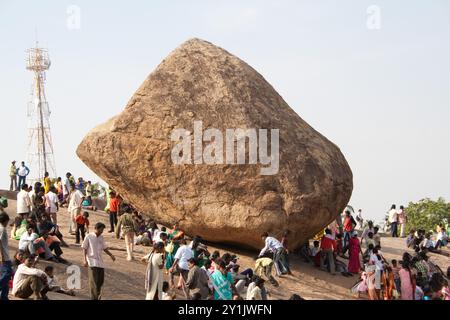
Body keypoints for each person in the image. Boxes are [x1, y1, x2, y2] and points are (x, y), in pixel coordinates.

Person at [82, 222, 116, 300]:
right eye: (101, 229)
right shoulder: (89, 236)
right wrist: (84, 260)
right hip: (91, 261)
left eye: (103, 230)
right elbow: (84, 248)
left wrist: (111, 255)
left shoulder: (101, 237)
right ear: (97, 228)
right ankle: (94, 298)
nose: (102, 231)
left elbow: (104, 248)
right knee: (93, 281)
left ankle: (98, 297)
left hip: (100, 262)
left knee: (100, 281)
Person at [0, 212, 12, 300]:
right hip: (4, 256)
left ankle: (4, 297)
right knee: (7, 274)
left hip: (5, 255)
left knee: (6, 277)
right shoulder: (2, 229)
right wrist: (2, 256)